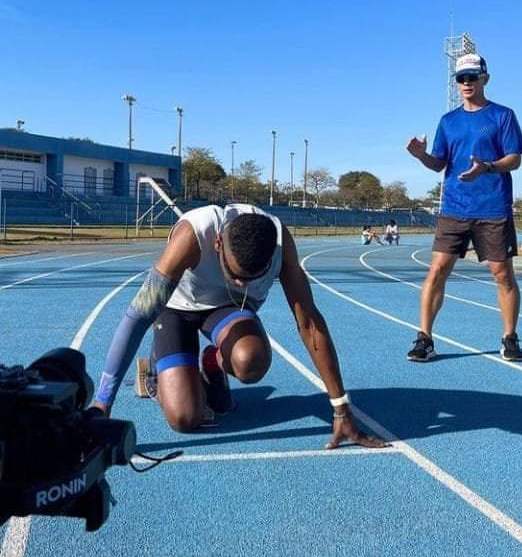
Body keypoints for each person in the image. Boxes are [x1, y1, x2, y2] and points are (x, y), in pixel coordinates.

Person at [93, 203, 386, 449]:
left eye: (250, 279)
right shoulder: (193, 235)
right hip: (176, 310)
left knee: (252, 360)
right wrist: (102, 403)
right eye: (234, 275)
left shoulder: (280, 245)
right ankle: (158, 370)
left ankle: (212, 364)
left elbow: (309, 322)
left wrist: (340, 407)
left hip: (227, 311)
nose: (240, 284)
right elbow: (138, 315)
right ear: (217, 243)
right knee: (185, 419)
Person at [406, 53, 522, 362]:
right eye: (461, 78)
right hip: (454, 207)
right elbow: (438, 163)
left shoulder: (503, 116)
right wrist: (420, 156)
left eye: (472, 76)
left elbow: (515, 158)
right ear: (456, 83)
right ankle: (424, 339)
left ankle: (510, 337)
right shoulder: (448, 121)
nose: (467, 82)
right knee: (437, 271)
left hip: (493, 207)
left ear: (485, 78)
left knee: (502, 274)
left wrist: (486, 167)